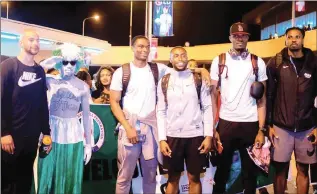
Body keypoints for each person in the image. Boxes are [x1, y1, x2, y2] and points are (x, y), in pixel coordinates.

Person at [110, 35, 211, 194]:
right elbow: (114, 102)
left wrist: (201, 70)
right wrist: (127, 127)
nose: (144, 50)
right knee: (124, 177)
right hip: (129, 130)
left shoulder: (157, 69)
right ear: (132, 48)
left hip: (150, 132)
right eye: (140, 46)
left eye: (147, 46)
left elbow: (181, 69)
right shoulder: (122, 72)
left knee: (150, 177)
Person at [210, 22, 267, 194]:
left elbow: (262, 98)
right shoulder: (219, 61)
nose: (240, 39)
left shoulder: (258, 62)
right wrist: (214, 127)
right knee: (222, 171)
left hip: (250, 123)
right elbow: (213, 97)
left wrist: (261, 129)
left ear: (248, 38)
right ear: (230, 38)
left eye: (243, 36)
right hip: (226, 123)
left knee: (250, 173)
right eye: (236, 36)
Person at [266, 26, 317, 194]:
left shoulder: (313, 62)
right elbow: (269, 95)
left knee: (303, 170)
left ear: (303, 39)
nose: (294, 39)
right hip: (282, 126)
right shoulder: (276, 62)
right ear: (285, 39)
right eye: (290, 37)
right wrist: (269, 125)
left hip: (307, 127)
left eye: (297, 36)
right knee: (280, 171)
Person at [1, 29, 52, 194]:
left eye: (37, 40)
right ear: (21, 43)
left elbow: (42, 104)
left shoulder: (39, 71)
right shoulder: (8, 66)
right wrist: (3, 133)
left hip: (31, 137)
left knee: (25, 180)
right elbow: (1, 101)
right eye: (31, 40)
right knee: (7, 182)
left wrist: (46, 132)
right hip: (11, 137)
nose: (35, 43)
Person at [156, 47, 213, 194]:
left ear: (187, 58)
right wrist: (162, 139)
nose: (180, 58)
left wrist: (208, 136)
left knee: (194, 178)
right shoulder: (164, 80)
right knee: (172, 179)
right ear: (170, 59)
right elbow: (161, 111)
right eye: (176, 56)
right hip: (172, 136)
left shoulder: (198, 79)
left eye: (183, 55)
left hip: (195, 136)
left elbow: (207, 108)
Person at [37, 43, 92, 194]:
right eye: (65, 62)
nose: (68, 66)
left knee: (69, 174)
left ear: (77, 64)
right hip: (50, 131)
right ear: (59, 63)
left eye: (72, 62)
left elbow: (86, 117)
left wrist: (88, 144)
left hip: (73, 134)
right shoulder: (50, 80)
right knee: (47, 172)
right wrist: (47, 63)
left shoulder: (83, 87)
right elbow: (36, 72)